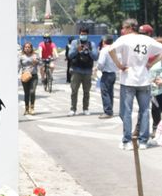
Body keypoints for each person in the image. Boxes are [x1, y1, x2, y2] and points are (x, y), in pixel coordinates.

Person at [109, 19, 162, 150]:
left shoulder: (124, 39)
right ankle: (143, 141)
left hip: (128, 79)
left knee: (126, 111)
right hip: (144, 79)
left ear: (129, 28)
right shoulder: (147, 40)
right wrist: (150, 63)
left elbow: (111, 50)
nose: (122, 30)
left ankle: (127, 141)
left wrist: (119, 65)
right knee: (144, 111)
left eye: (123, 28)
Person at [67, 27, 99, 116]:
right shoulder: (74, 42)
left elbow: (96, 57)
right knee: (74, 91)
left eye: (85, 34)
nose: (83, 35)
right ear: (79, 34)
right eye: (82, 34)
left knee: (86, 91)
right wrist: (77, 49)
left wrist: (89, 51)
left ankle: (85, 108)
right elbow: (70, 55)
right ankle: (73, 109)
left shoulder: (91, 44)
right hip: (76, 70)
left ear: (87, 35)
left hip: (87, 71)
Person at [97, 35, 117, 119]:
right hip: (113, 73)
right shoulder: (114, 49)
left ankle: (108, 112)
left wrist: (98, 68)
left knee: (105, 93)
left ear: (103, 42)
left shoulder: (104, 50)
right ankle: (110, 110)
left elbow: (101, 63)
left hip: (106, 73)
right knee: (110, 93)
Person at [19, 42, 39, 115]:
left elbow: (41, 63)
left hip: (34, 76)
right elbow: (18, 66)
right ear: (24, 48)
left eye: (28, 47)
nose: (27, 48)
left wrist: (36, 61)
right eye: (26, 47)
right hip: (25, 76)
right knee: (26, 93)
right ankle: (26, 108)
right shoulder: (21, 57)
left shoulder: (35, 55)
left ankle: (32, 108)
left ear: (31, 48)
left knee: (32, 91)